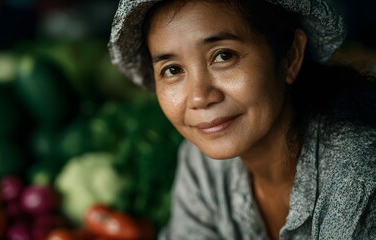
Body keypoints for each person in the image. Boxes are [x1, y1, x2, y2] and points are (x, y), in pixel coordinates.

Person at [108, 0, 376, 239]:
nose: (200, 97)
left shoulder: (357, 179)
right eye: (172, 69)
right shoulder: (202, 167)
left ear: (290, 57)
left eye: (224, 56)